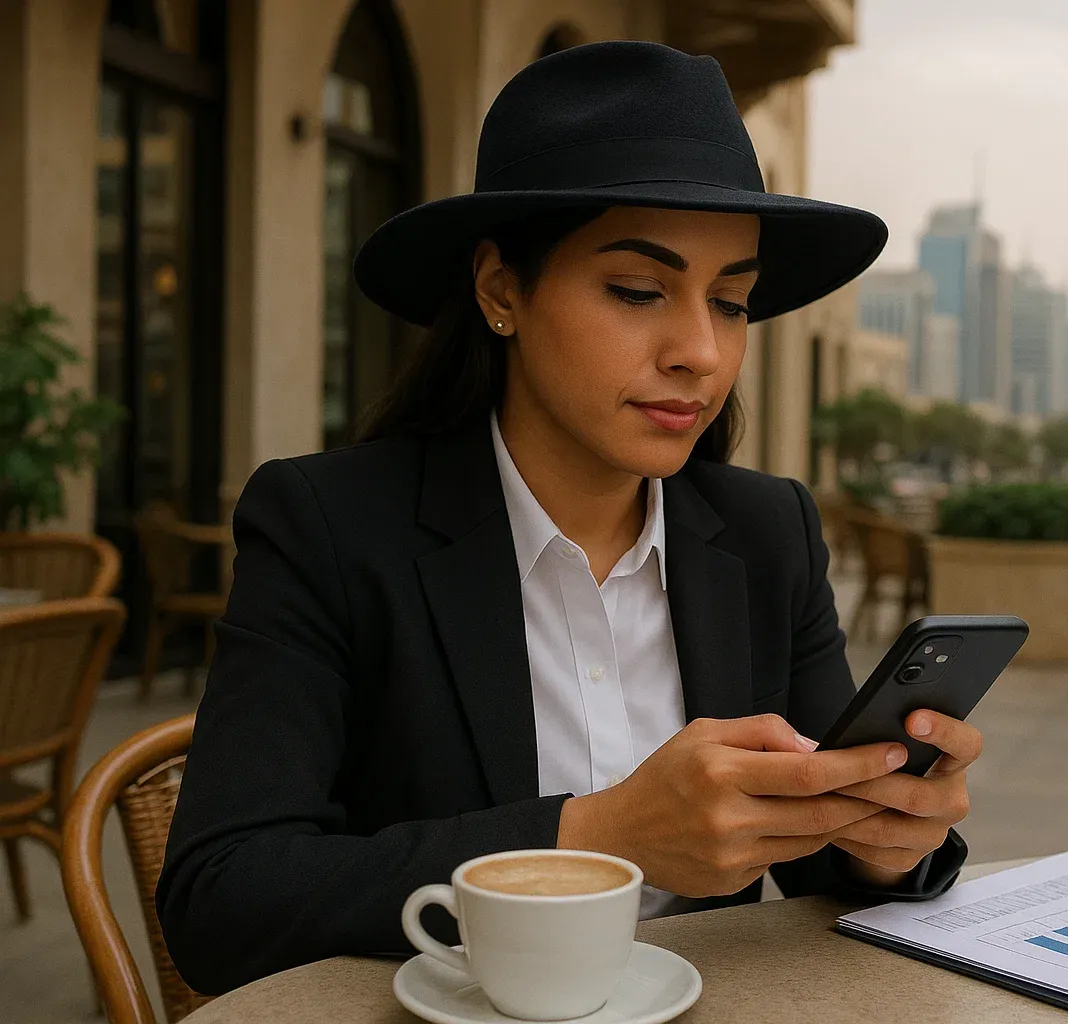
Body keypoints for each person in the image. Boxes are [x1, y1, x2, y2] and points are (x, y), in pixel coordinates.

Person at [158, 40, 977, 995]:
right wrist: (594, 835)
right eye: (638, 291)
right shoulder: (331, 528)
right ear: (501, 289)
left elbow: (818, 860)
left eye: (733, 302)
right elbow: (221, 902)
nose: (700, 352)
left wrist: (884, 838)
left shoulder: (765, 533)